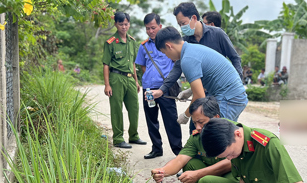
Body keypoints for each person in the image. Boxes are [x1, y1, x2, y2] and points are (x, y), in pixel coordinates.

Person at [151, 97, 239, 183]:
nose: (197, 127)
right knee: (190, 164)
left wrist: (199, 174)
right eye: (195, 123)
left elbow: (230, 162)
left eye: (201, 122)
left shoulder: (232, 132)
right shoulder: (197, 136)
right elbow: (180, 159)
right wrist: (162, 171)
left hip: (234, 178)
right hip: (212, 175)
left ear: (216, 118)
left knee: (206, 180)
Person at [150, 2, 243, 102]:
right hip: (202, 90)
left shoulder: (217, 34)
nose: (181, 27)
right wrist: (162, 90)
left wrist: (237, 83)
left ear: (194, 18)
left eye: (183, 23)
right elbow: (177, 67)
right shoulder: (185, 42)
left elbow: (234, 58)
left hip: (221, 90)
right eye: (179, 24)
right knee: (197, 116)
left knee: (217, 117)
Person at [154, 26, 248, 125]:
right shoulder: (192, 49)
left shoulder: (187, 59)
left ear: (169, 46)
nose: (167, 56)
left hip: (229, 98)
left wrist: (186, 115)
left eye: (165, 53)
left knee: (215, 133)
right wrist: (190, 91)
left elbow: (199, 96)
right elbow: (211, 77)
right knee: (227, 134)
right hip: (234, 95)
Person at [135, 13, 182, 159]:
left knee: (171, 120)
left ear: (160, 26)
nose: (150, 31)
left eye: (153, 28)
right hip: (148, 89)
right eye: (148, 28)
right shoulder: (143, 46)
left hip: (166, 88)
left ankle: (178, 151)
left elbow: (176, 64)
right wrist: (150, 79)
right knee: (151, 120)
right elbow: (142, 66)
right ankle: (156, 148)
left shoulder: (168, 43)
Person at [102, 12, 146, 149]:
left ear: (129, 24)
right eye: (121, 24)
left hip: (130, 79)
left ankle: (133, 136)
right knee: (116, 109)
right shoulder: (110, 42)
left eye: (126, 24)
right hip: (116, 78)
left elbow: (133, 63)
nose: (124, 27)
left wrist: (136, 81)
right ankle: (118, 138)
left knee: (134, 108)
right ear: (116, 24)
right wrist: (107, 85)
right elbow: (106, 64)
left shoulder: (132, 41)